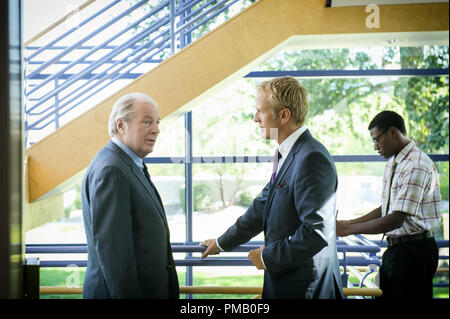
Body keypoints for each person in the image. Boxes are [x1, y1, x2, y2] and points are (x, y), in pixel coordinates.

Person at [200, 77, 343, 299]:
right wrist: (221, 242)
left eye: (260, 111)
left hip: (306, 289)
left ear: (284, 115)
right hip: (289, 284)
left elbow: (316, 231)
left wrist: (268, 257)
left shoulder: (312, 157)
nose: (255, 118)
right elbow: (261, 208)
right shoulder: (289, 154)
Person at [81, 92, 179, 299]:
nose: (156, 129)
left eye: (157, 122)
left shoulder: (127, 164)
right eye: (147, 121)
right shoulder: (112, 170)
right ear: (121, 125)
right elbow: (116, 260)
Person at [336, 110, 441, 299]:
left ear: (393, 132)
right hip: (398, 250)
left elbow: (395, 219)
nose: (375, 146)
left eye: (376, 140)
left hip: (415, 252)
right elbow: (385, 208)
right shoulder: (395, 163)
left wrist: (348, 229)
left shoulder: (416, 164)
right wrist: (348, 223)